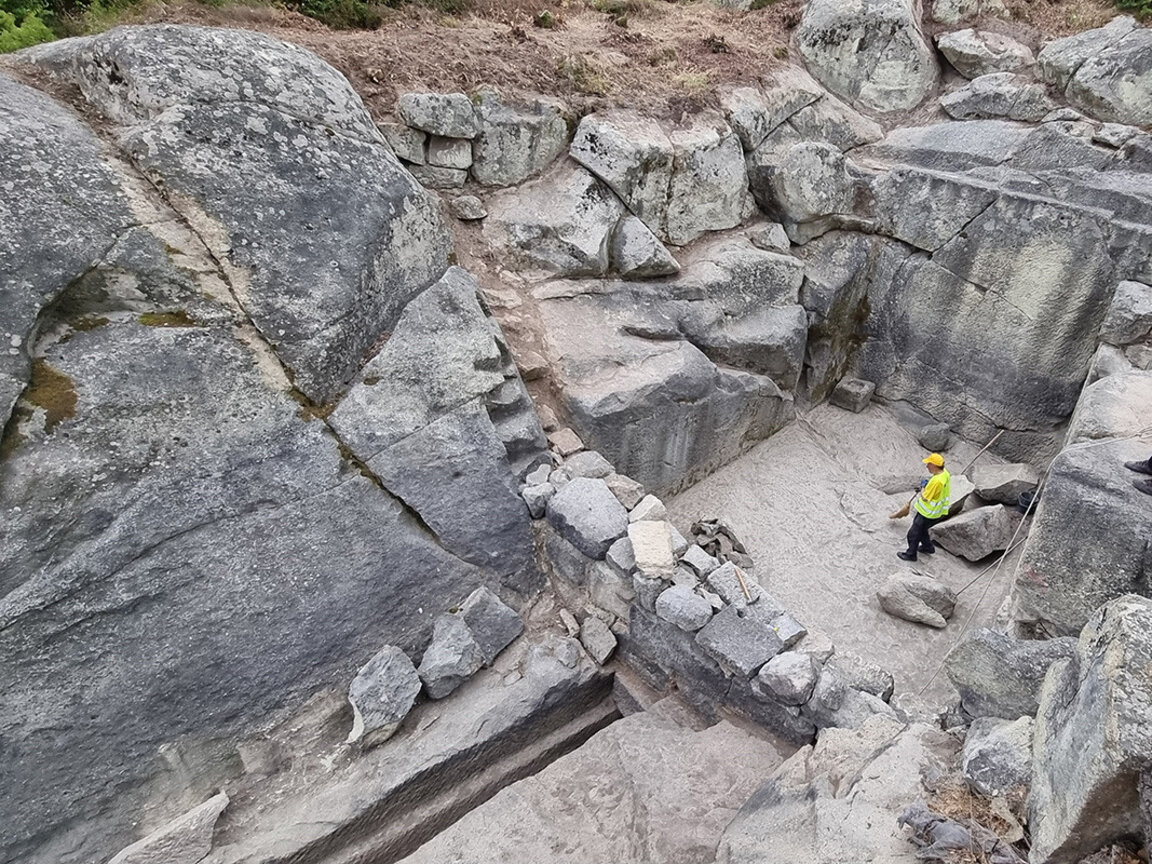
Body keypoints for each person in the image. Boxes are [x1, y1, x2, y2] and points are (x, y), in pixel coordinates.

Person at [898, 453, 951, 562]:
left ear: (934, 466)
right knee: (922, 531)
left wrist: (922, 487)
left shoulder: (936, 481)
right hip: (936, 513)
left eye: (929, 464)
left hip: (927, 513)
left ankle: (911, 554)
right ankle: (928, 547)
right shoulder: (944, 473)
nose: (927, 466)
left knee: (913, 533)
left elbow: (925, 497)